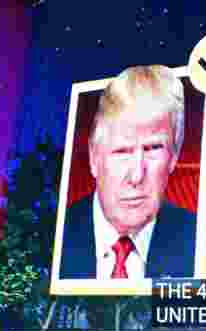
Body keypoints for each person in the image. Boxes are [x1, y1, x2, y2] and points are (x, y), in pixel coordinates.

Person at [58, 65, 196, 281]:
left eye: (153, 148)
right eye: (122, 150)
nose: (136, 176)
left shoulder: (199, 240)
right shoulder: (51, 236)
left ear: (174, 157)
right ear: (94, 158)